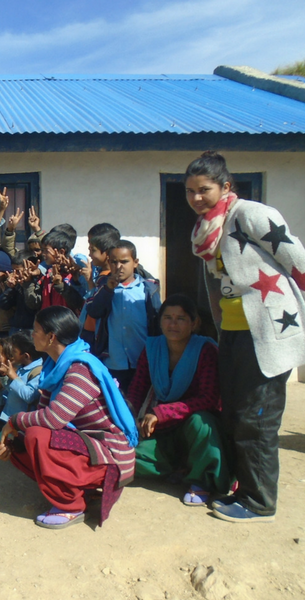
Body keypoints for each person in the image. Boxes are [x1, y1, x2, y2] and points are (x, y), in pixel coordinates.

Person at [185, 151, 305, 523]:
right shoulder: (206, 230)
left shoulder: (250, 214)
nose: (196, 198)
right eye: (189, 191)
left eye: (204, 190)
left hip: (267, 331)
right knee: (236, 413)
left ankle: (259, 502)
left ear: (226, 187)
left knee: (258, 416)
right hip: (235, 333)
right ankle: (243, 486)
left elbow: (296, 258)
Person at [0, 306, 137, 529]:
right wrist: (11, 441)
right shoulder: (55, 366)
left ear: (51, 337)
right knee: (20, 443)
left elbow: (53, 420)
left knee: (36, 436)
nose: (32, 335)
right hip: (88, 444)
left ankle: (72, 506)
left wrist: (14, 421)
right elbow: (41, 411)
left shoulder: (80, 369)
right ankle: (79, 492)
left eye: (36, 330)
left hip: (110, 452)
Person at [127, 294, 229, 506]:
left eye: (181, 318)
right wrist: (126, 421)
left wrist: (161, 413)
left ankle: (203, 480)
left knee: (202, 422)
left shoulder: (206, 350)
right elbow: (137, 389)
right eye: (167, 317)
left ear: (194, 323)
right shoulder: (152, 348)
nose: (173, 324)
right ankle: (179, 468)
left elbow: (209, 399)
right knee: (126, 456)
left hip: (194, 428)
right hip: (164, 428)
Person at [85, 240, 161, 392]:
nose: (119, 267)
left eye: (124, 262)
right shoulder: (103, 288)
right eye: (114, 262)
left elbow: (156, 323)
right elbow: (94, 311)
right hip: (113, 362)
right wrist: (108, 289)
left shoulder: (147, 290)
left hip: (142, 361)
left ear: (135, 262)